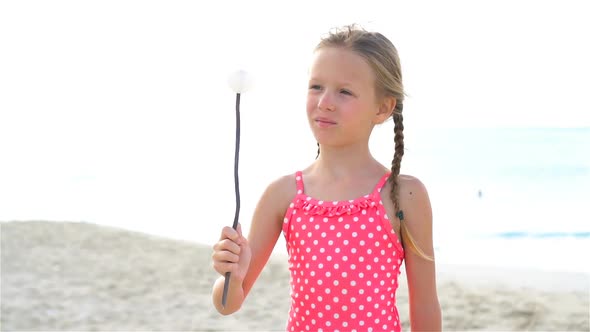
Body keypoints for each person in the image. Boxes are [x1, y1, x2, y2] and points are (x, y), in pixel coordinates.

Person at [211, 24, 441, 332]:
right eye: (316, 86)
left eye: (344, 91)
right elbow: (228, 304)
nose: (325, 102)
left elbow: (425, 307)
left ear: (383, 107)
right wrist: (231, 277)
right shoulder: (283, 194)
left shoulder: (404, 195)